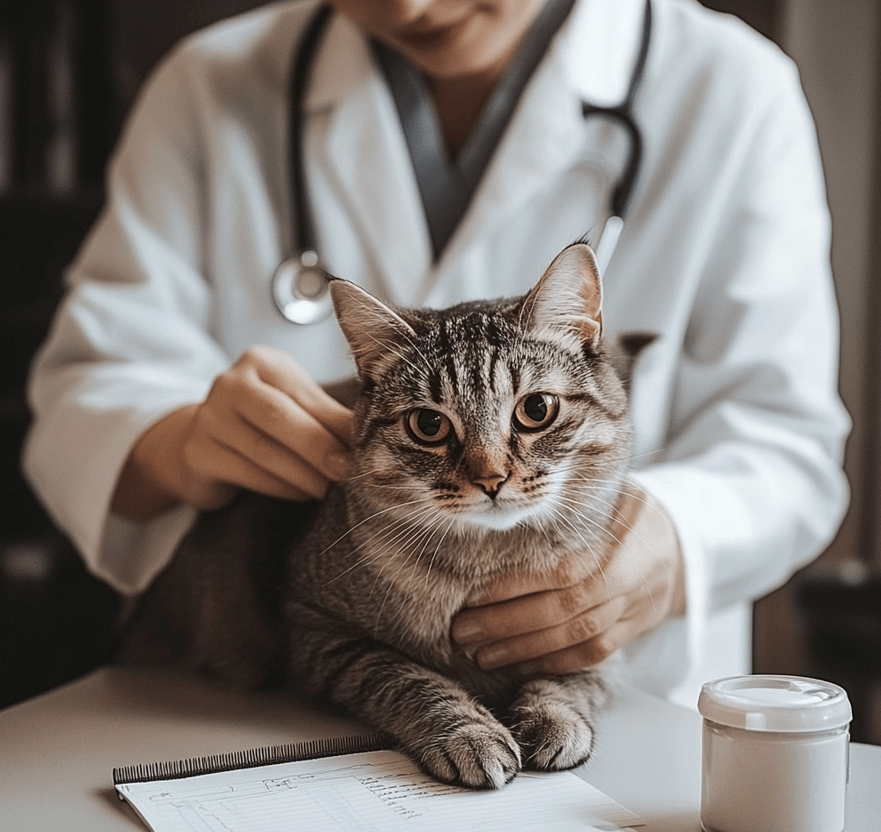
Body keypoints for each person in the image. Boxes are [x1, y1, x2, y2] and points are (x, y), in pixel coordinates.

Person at [23, 0, 849, 706]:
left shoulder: (733, 90)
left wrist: (671, 546)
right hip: (265, 713)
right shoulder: (209, 85)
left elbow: (787, 445)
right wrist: (176, 437)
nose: (412, 7)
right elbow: (83, 391)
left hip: (622, 719)